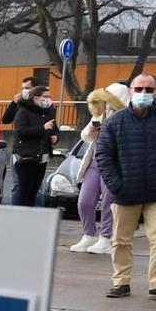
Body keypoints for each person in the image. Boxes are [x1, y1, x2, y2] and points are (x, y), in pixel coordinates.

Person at [94, 72, 156, 301]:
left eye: (149, 90)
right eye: (140, 89)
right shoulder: (115, 121)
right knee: (121, 240)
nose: (144, 93)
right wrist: (116, 184)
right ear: (131, 91)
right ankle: (121, 282)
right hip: (126, 193)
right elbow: (103, 155)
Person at [69, 85, 124, 254]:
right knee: (84, 201)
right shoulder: (100, 113)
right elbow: (85, 136)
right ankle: (89, 234)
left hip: (113, 163)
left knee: (108, 201)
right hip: (94, 161)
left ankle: (106, 237)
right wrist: (93, 129)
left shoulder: (125, 116)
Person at [7, 83, 59, 208]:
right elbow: (21, 132)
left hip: (42, 156)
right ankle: (21, 217)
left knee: (34, 190)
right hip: (26, 156)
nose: (48, 99)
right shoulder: (23, 112)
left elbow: (54, 129)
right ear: (35, 98)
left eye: (49, 96)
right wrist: (42, 128)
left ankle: (31, 217)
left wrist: (55, 137)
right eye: (45, 96)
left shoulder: (48, 112)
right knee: (25, 190)